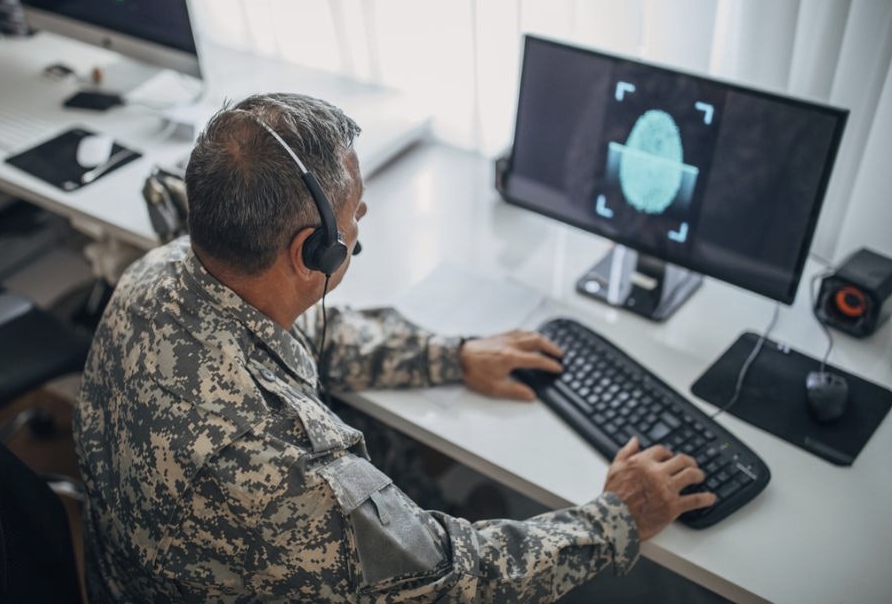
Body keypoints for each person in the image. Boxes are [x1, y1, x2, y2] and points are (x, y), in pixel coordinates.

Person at [73, 93, 716, 602]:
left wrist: (452, 355)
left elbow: (312, 329)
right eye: (356, 217)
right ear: (312, 253)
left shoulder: (158, 273)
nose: (360, 225)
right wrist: (614, 519)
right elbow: (450, 579)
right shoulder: (280, 473)